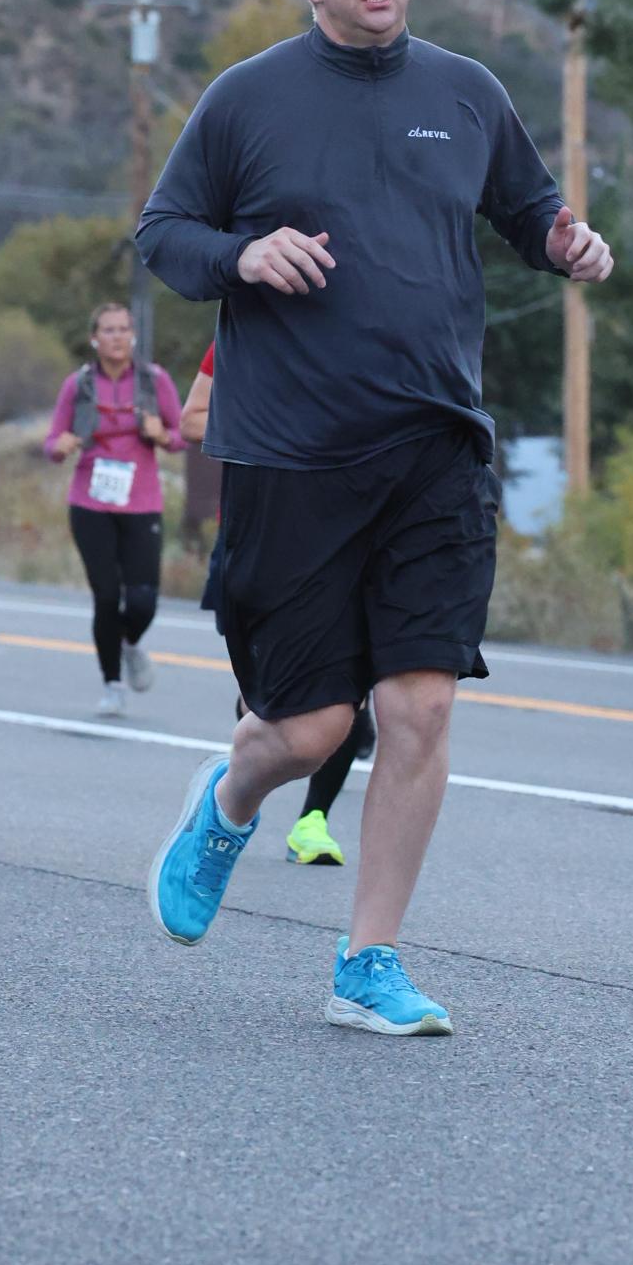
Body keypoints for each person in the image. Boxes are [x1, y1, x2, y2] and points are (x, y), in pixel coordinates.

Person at [137, 0, 613, 1034]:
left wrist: (565, 243)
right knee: (310, 730)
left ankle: (369, 960)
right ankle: (229, 801)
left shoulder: (465, 92)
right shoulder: (248, 99)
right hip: (292, 455)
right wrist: (244, 257)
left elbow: (529, 211)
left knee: (419, 707)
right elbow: (163, 235)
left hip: (435, 447)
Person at [183, 336, 369, 867]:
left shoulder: (369, 333)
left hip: (343, 534)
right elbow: (192, 420)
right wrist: (275, 427)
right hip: (260, 535)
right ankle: (234, 797)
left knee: (351, 693)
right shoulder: (245, 331)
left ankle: (313, 822)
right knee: (262, 699)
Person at [43, 302, 183, 719]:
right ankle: (112, 685)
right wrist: (60, 446)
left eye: (124, 329)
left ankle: (129, 643)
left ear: (133, 336)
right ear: (94, 338)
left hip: (141, 501)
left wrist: (163, 435)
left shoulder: (154, 381)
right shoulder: (78, 385)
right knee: (106, 596)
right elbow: (52, 442)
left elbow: (183, 434)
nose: (117, 337)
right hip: (90, 501)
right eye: (108, 330)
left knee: (143, 600)